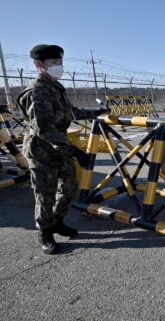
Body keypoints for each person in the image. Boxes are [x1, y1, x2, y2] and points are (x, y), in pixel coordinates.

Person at [17, 44, 108, 254]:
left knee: (68, 187)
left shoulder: (56, 87)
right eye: (53, 63)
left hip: (60, 148)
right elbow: (44, 129)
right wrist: (76, 151)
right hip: (42, 150)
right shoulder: (38, 92)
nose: (59, 66)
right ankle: (45, 232)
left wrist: (97, 112)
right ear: (39, 65)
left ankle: (57, 221)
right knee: (45, 193)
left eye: (60, 62)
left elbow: (70, 112)